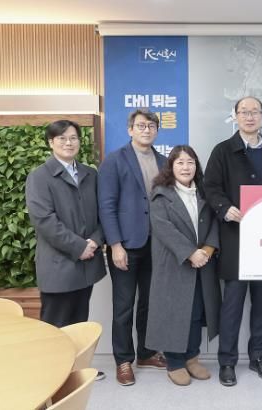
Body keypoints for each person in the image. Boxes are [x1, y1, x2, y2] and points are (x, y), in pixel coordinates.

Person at [204, 96, 262, 387]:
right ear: (235, 116)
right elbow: (210, 187)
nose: (249, 117)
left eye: (254, 112)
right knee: (233, 305)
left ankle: (257, 357)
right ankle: (227, 361)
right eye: (244, 112)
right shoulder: (222, 150)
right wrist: (225, 208)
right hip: (235, 240)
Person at [25, 120, 106, 380]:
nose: (68, 143)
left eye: (73, 138)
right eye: (62, 138)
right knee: (56, 324)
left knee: (80, 321)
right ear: (51, 142)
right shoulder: (39, 176)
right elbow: (44, 221)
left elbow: (103, 213)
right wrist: (79, 246)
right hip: (59, 265)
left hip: (87, 263)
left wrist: (95, 241)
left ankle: (76, 371)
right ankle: (52, 376)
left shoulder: (90, 174)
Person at [98, 109, 167, 386]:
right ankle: (123, 360)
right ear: (130, 130)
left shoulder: (164, 161)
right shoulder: (114, 160)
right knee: (124, 306)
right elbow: (106, 206)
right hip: (126, 245)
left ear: (157, 131)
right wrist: (115, 245)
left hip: (156, 245)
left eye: (151, 126)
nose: (146, 130)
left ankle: (146, 353)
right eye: (141, 125)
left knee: (149, 303)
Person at [145, 145, 222, 386]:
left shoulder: (203, 192)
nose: (186, 167)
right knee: (175, 313)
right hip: (174, 264)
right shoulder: (161, 194)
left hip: (202, 264)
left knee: (196, 313)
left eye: (190, 162)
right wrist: (190, 253)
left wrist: (207, 249)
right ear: (171, 166)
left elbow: (214, 223)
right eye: (180, 162)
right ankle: (175, 362)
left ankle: (192, 357)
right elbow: (163, 228)